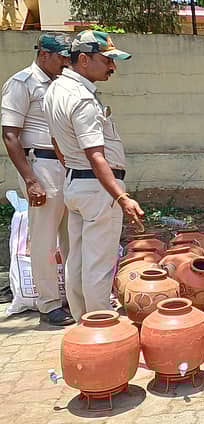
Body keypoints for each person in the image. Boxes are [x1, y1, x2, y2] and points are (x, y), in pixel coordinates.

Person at [43, 30, 145, 322]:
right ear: (84, 59)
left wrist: (76, 174)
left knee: (77, 259)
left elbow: (56, 143)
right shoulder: (82, 99)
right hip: (99, 188)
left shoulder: (55, 90)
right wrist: (121, 196)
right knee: (98, 265)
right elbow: (96, 155)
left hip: (76, 183)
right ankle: (101, 330)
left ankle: (82, 324)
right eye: (107, 60)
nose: (113, 67)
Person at [1, 33, 73, 326]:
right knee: (44, 239)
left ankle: (73, 295)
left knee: (73, 236)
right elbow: (9, 135)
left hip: (69, 167)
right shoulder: (22, 83)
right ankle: (49, 303)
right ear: (44, 54)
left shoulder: (63, 83)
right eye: (61, 57)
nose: (65, 63)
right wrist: (30, 180)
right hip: (41, 165)